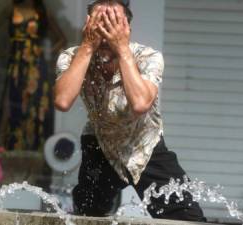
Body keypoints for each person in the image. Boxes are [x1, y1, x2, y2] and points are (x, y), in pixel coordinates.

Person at [54, 0, 206, 221]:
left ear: (126, 28)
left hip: (144, 146)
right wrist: (88, 46)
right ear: (88, 26)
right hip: (101, 145)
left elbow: (140, 104)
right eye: (100, 23)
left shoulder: (148, 57)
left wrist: (122, 48)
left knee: (188, 217)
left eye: (113, 23)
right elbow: (63, 101)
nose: (106, 32)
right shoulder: (72, 57)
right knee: (86, 215)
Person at [0, 0, 66, 151]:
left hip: (35, 66)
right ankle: (11, 149)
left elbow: (62, 39)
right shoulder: (11, 9)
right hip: (16, 65)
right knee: (13, 102)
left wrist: (47, 55)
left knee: (36, 105)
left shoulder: (41, 11)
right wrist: (1, 53)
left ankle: (35, 150)